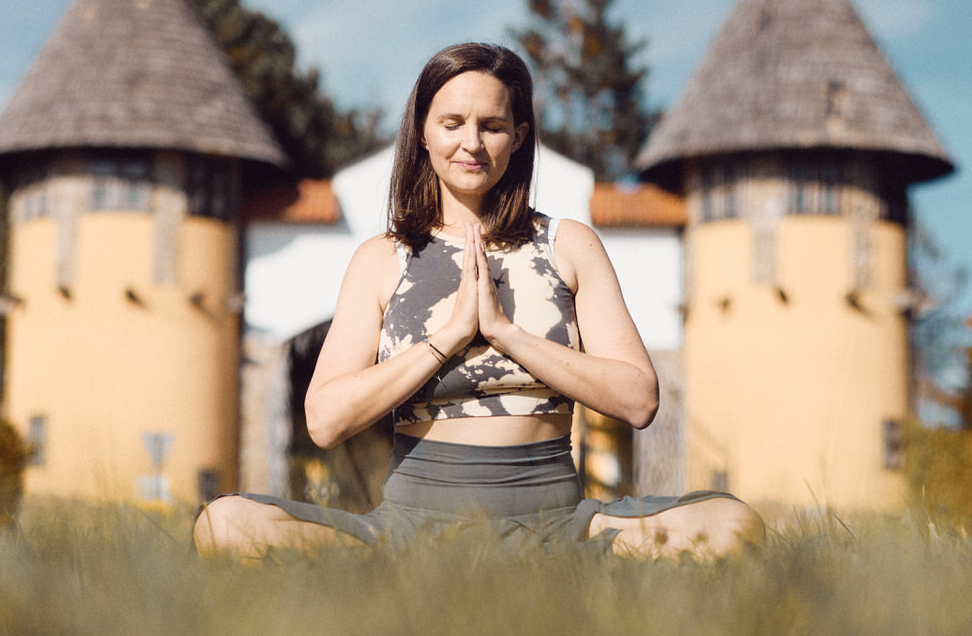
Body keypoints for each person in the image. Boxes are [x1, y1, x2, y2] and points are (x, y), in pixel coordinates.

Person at [195, 43, 763, 558]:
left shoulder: (568, 245)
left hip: (557, 527)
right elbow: (323, 420)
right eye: (452, 123)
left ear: (518, 137)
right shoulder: (382, 257)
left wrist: (507, 333)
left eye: (491, 126)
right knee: (224, 524)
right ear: (423, 132)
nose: (471, 142)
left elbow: (639, 399)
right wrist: (448, 337)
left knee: (733, 525)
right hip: (409, 532)